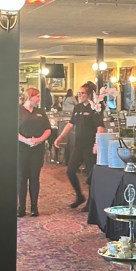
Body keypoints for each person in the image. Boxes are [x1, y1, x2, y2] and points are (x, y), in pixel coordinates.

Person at [54, 81, 104, 209]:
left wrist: (97, 143)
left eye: (82, 93)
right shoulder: (77, 107)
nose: (80, 95)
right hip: (79, 145)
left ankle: (91, 202)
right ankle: (79, 196)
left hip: (90, 145)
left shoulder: (95, 108)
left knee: (90, 174)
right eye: (79, 93)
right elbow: (70, 124)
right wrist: (59, 137)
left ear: (89, 94)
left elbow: (100, 127)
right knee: (70, 171)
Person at [17, 87, 51, 218]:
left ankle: (34, 208)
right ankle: (21, 208)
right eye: (37, 96)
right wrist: (26, 140)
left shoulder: (40, 112)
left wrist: (39, 139)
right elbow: (13, 130)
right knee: (21, 178)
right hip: (22, 148)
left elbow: (48, 129)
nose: (39, 99)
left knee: (34, 178)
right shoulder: (18, 111)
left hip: (37, 149)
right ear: (29, 97)